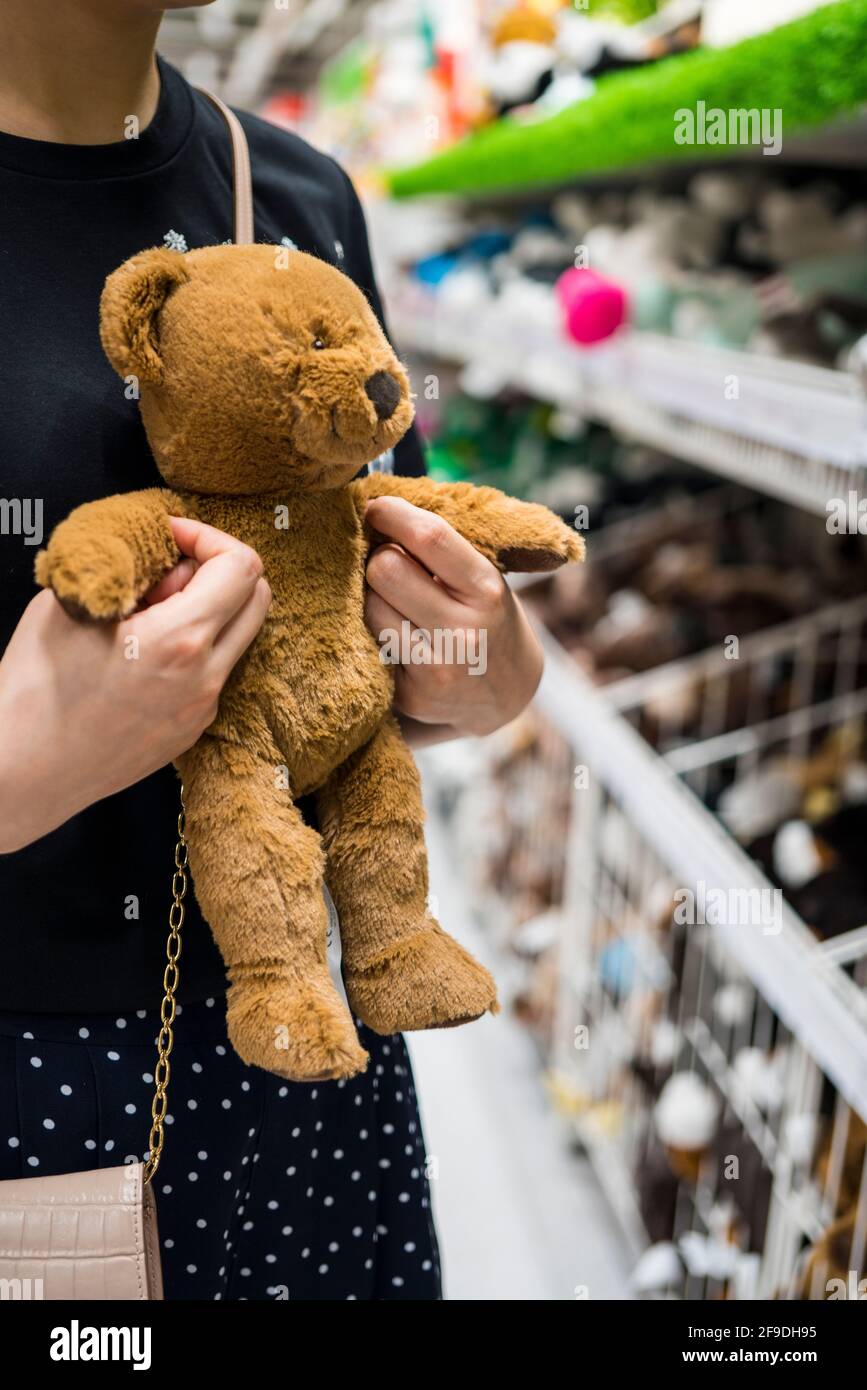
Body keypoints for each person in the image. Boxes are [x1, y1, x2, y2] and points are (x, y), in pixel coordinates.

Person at [0, 0, 545, 1301]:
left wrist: (490, 665)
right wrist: (25, 759)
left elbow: (379, 548)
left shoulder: (288, 189)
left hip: (307, 1047)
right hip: (31, 1068)